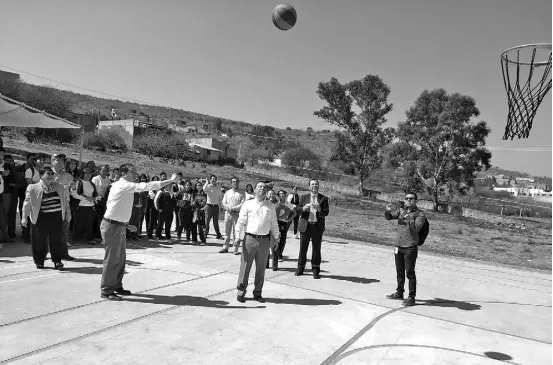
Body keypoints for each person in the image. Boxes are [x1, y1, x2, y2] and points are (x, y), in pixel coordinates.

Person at [100, 164, 177, 300]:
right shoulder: (123, 185)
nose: (136, 175)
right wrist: (170, 180)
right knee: (112, 260)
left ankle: (116, 286)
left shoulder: (125, 187)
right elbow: (147, 186)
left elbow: (116, 206)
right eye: (133, 172)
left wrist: (125, 223)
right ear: (124, 174)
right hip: (112, 227)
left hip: (119, 226)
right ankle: (106, 290)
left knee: (121, 260)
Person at [234, 181, 279, 303]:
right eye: (259, 187)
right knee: (245, 267)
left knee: (261, 269)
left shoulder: (270, 206)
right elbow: (240, 221)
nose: (262, 189)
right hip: (250, 239)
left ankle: (258, 292)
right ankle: (241, 291)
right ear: (254, 190)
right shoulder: (248, 204)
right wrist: (237, 236)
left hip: (264, 241)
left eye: (264, 187)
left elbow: (274, 224)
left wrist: (276, 237)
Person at [21, 167, 71, 270]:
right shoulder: (32, 187)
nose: (51, 176)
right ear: (41, 176)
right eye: (48, 174)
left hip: (56, 218)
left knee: (56, 240)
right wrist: (24, 218)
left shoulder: (59, 186)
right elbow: (27, 203)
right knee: (39, 241)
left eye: (52, 174)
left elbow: (65, 202)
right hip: (41, 218)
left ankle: (57, 261)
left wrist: (68, 213)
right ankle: (39, 261)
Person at [384, 192, 426, 306]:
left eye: (411, 198)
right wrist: (387, 210)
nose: (409, 200)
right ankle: (399, 292)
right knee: (399, 271)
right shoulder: (401, 211)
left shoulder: (420, 214)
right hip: (399, 245)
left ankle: (411, 297)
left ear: (415, 201)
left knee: (410, 273)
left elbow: (417, 228)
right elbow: (389, 217)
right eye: (407, 198)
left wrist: (407, 217)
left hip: (410, 247)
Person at [295, 179, 330, 279]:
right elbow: (297, 209)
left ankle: (315, 270)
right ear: (309, 187)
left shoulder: (324, 198)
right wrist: (303, 209)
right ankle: (300, 268)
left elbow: (326, 212)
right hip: (305, 225)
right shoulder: (304, 197)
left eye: (316, 184)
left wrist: (319, 209)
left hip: (317, 226)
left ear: (318, 186)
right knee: (303, 248)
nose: (314, 186)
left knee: (316, 249)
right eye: (312, 184)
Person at [52, 153, 76, 260]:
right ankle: (50, 253)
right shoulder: (46, 174)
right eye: (58, 159)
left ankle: (64, 253)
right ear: (52, 161)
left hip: (65, 204)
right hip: (51, 204)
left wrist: (73, 187)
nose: (61, 161)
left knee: (64, 230)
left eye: (62, 160)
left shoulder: (69, 176)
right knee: (51, 231)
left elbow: (72, 192)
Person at [71, 168, 99, 244]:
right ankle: (76, 240)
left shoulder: (92, 183)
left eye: (89, 173)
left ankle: (90, 239)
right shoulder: (78, 182)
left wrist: (93, 198)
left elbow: (95, 194)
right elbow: (74, 194)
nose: (88, 175)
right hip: (80, 206)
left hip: (91, 206)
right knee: (79, 223)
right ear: (82, 174)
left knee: (89, 223)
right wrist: (86, 198)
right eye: (86, 173)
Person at [220, 176, 245, 254]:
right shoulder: (228, 192)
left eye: (236, 181)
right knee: (227, 232)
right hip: (228, 214)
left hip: (236, 214)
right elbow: (223, 203)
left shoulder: (242, 193)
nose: (235, 183)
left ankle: (235, 248)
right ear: (231, 183)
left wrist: (233, 208)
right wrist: (228, 208)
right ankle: (225, 247)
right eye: (233, 182)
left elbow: (242, 203)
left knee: (236, 232)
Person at [274, 189, 297, 265]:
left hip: (284, 223)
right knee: (277, 239)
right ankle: (276, 254)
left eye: (283, 193)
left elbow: (295, 212)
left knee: (283, 239)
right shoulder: (277, 204)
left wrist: (289, 219)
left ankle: (280, 254)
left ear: (285, 194)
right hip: (276, 223)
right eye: (280, 194)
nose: (281, 195)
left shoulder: (288, 204)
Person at [202, 175, 223, 239]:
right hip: (209, 206)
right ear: (210, 180)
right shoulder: (208, 187)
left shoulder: (218, 187)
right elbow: (204, 189)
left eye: (215, 179)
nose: (214, 180)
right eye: (212, 179)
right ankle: (205, 233)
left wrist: (221, 206)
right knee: (207, 221)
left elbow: (220, 197)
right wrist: (206, 182)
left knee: (216, 221)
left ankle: (218, 234)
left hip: (216, 206)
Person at [191, 181, 207, 245]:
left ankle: (203, 240)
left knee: (201, 227)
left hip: (201, 212)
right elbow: (192, 203)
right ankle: (194, 240)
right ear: (196, 186)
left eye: (200, 185)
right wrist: (196, 204)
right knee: (194, 226)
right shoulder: (194, 194)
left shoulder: (204, 194)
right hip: (194, 212)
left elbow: (204, 203)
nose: (199, 186)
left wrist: (197, 203)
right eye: (198, 185)